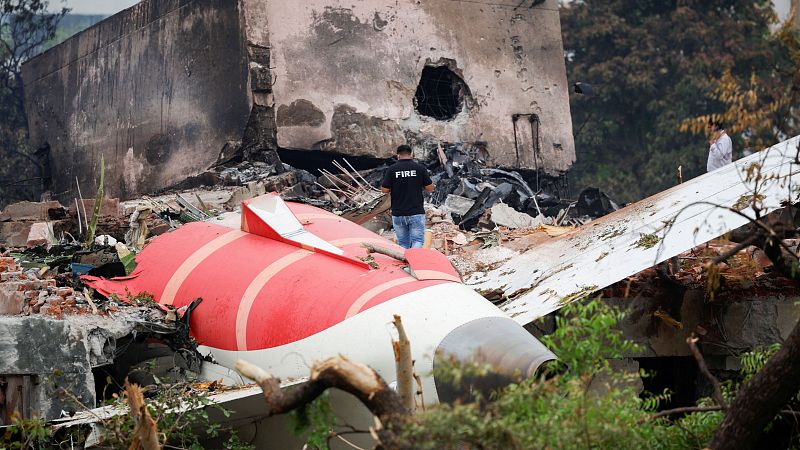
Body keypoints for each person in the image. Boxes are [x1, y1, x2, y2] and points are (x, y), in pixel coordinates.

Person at [381, 144, 434, 249]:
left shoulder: (392, 169)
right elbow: (430, 188)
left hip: (398, 213)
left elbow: (384, 190)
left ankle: (404, 264)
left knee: (403, 244)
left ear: (398, 155)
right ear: (411, 154)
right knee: (417, 241)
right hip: (416, 212)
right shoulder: (419, 168)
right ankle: (414, 264)